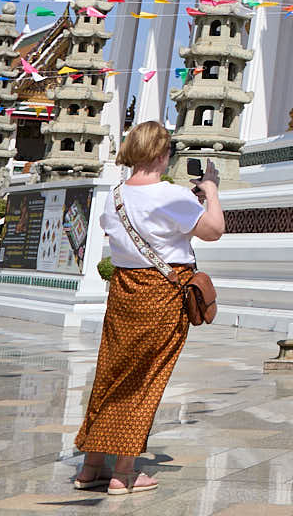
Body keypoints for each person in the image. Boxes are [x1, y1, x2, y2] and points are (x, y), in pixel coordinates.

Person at [72, 121, 224, 495]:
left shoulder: (115, 196)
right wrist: (211, 191)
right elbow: (214, 230)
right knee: (144, 379)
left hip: (123, 291)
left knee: (111, 374)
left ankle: (91, 466)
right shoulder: (171, 195)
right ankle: (123, 473)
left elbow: (121, 230)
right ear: (160, 154)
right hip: (162, 293)